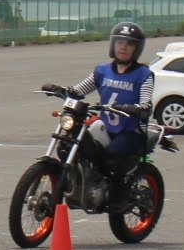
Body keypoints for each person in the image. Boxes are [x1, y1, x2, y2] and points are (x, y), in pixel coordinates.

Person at [65, 21, 156, 180]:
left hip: (130, 131)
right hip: (104, 127)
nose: (123, 47)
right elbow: (80, 89)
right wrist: (61, 90)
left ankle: (118, 196)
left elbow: (146, 104)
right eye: (120, 42)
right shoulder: (102, 71)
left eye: (129, 44)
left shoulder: (144, 74)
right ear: (113, 45)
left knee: (113, 155)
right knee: (73, 144)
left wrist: (135, 108)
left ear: (137, 48)